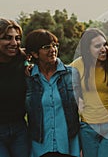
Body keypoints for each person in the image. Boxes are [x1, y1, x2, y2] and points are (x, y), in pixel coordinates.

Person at [24, 29, 81, 157]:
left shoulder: (71, 74)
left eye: (55, 45)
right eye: (46, 47)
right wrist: (24, 61)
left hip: (68, 144)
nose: (53, 49)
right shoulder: (29, 77)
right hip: (40, 147)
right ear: (34, 53)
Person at [70, 28, 108, 157]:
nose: (103, 49)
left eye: (105, 44)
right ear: (87, 49)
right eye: (97, 46)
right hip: (87, 127)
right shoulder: (77, 65)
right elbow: (57, 72)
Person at [0, 18, 30, 157]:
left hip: (19, 128)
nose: (14, 43)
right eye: (7, 38)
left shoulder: (22, 59)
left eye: (17, 38)